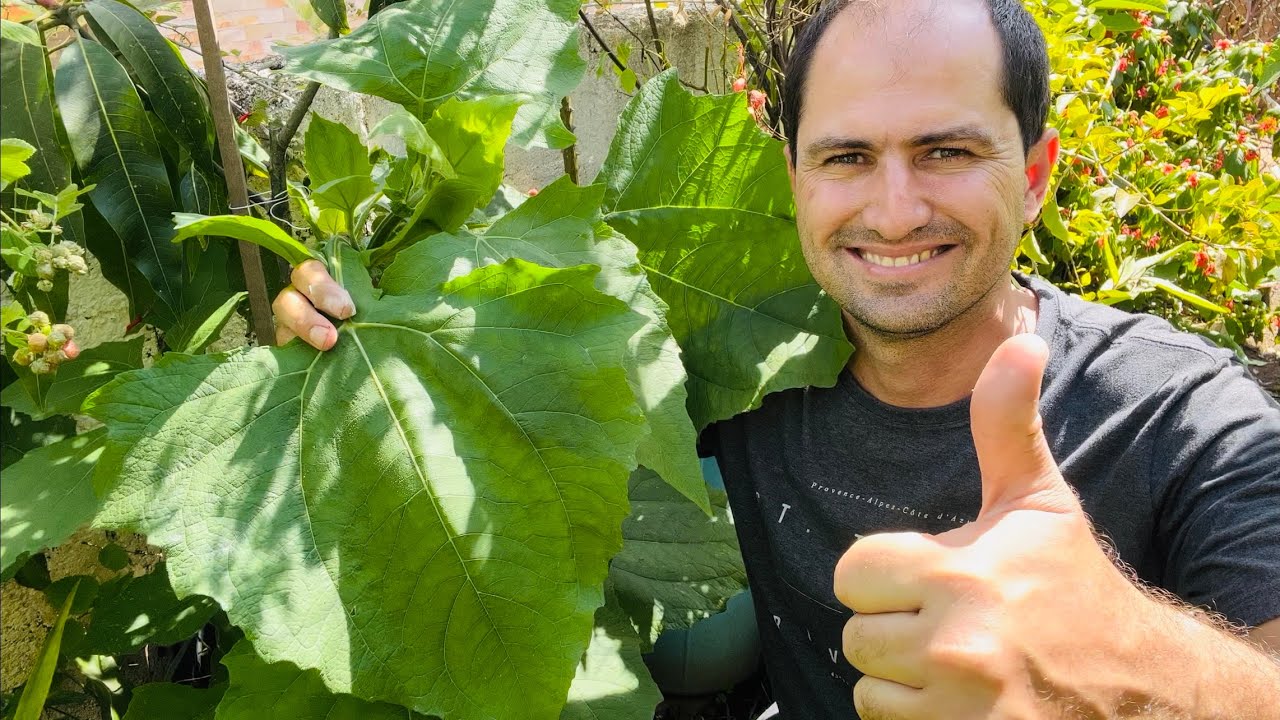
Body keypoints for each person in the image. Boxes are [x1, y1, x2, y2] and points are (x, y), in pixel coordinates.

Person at [273, 0, 1280, 716]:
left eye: (945, 151)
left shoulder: (1179, 415)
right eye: (846, 157)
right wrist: (342, 349)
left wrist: (1145, 672)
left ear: (1034, 173)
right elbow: (488, 451)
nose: (892, 209)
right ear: (789, 170)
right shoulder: (712, 365)